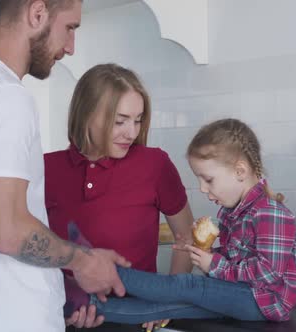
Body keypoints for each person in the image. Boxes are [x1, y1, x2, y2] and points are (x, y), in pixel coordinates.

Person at [0, 1, 130, 331]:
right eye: (70, 28)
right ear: (37, 13)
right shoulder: (5, 97)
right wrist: (84, 261)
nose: (70, 47)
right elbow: (8, 232)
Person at [63, 118, 296, 327]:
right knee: (170, 307)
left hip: (265, 301)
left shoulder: (270, 213)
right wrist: (204, 252)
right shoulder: (231, 212)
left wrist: (214, 265)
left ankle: (100, 268)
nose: (202, 188)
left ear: (240, 172)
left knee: (188, 284)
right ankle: (79, 305)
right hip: (246, 296)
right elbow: (235, 262)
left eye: (208, 180)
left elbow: (268, 274)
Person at [44, 63, 195, 330]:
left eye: (138, 120)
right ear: (87, 115)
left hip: (137, 320)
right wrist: (67, 301)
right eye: (120, 121)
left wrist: (167, 301)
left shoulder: (155, 164)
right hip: (62, 318)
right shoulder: (45, 169)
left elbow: (187, 237)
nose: (132, 132)